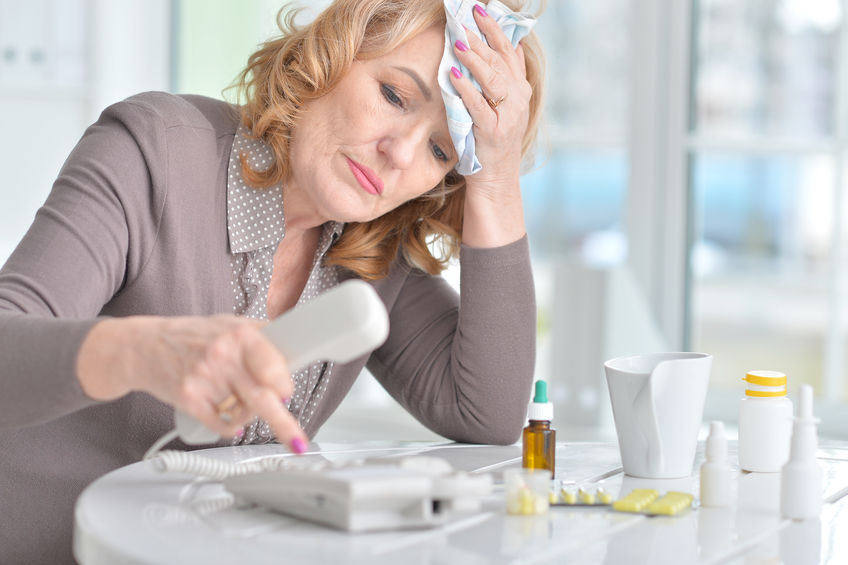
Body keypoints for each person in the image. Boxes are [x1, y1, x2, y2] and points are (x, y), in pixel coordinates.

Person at [0, 0, 545, 561]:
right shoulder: (154, 152)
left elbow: (488, 414)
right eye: (393, 95)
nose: (400, 153)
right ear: (333, 54)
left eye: (440, 149)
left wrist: (497, 176)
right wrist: (147, 352)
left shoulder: (374, 251)